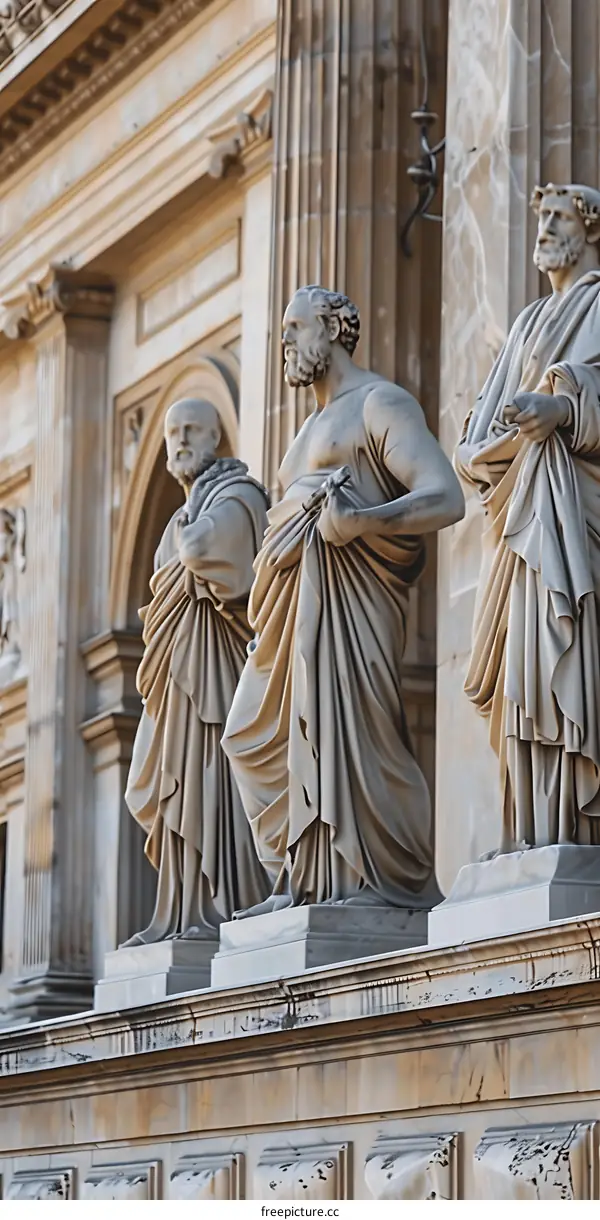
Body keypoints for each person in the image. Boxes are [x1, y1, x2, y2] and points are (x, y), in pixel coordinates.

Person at [222, 285, 464, 914]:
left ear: (332, 329)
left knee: (352, 733)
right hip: (290, 610)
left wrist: (365, 521)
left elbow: (445, 495)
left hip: (354, 608)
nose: (284, 341)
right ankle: (301, 876)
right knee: (250, 734)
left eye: (295, 327)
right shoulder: (301, 433)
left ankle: (370, 880)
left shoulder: (380, 403)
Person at [455, 183, 600, 851]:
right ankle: (529, 830)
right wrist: (476, 452)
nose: (543, 228)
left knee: (563, 653)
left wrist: (565, 410)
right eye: (541, 217)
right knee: (524, 670)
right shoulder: (526, 323)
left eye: (559, 217)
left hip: (571, 519)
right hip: (519, 519)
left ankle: (572, 824)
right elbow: (480, 423)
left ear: (590, 229)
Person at [122, 397, 271, 944]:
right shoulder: (178, 519)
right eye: (173, 433)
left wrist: (189, 536)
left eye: (192, 430)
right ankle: (180, 914)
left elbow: (211, 556)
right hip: (177, 680)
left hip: (217, 673)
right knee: (177, 787)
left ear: (216, 438)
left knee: (216, 782)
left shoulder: (238, 495)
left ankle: (225, 905)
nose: (181, 440)